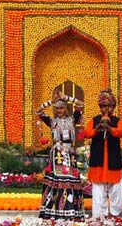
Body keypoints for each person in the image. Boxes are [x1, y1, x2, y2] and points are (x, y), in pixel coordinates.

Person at [35, 90, 85, 221]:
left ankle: (70, 210)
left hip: (69, 153)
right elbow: (38, 111)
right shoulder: (52, 121)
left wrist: (67, 97)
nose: (59, 110)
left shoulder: (72, 119)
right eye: (56, 108)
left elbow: (81, 104)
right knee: (56, 181)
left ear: (66, 108)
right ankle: (55, 210)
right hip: (57, 153)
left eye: (61, 108)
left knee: (70, 180)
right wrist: (51, 101)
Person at [83, 89, 122, 219]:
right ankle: (99, 216)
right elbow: (86, 133)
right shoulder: (94, 120)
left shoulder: (118, 120)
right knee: (98, 190)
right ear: (100, 107)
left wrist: (110, 129)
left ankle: (115, 214)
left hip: (113, 160)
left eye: (108, 106)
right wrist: (97, 129)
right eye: (103, 106)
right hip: (98, 161)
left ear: (113, 107)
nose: (106, 109)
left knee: (116, 190)